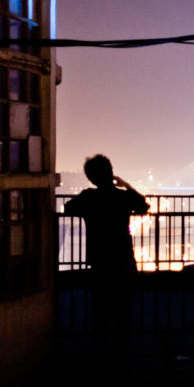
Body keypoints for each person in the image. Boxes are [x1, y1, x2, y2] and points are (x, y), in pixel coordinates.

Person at [64, 154, 149, 367]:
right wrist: (125, 185)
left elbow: (68, 207)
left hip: (99, 261)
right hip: (123, 260)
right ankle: (120, 357)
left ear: (91, 178)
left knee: (100, 312)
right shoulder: (122, 197)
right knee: (123, 312)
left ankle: (101, 357)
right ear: (111, 172)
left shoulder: (88, 197)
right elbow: (143, 205)